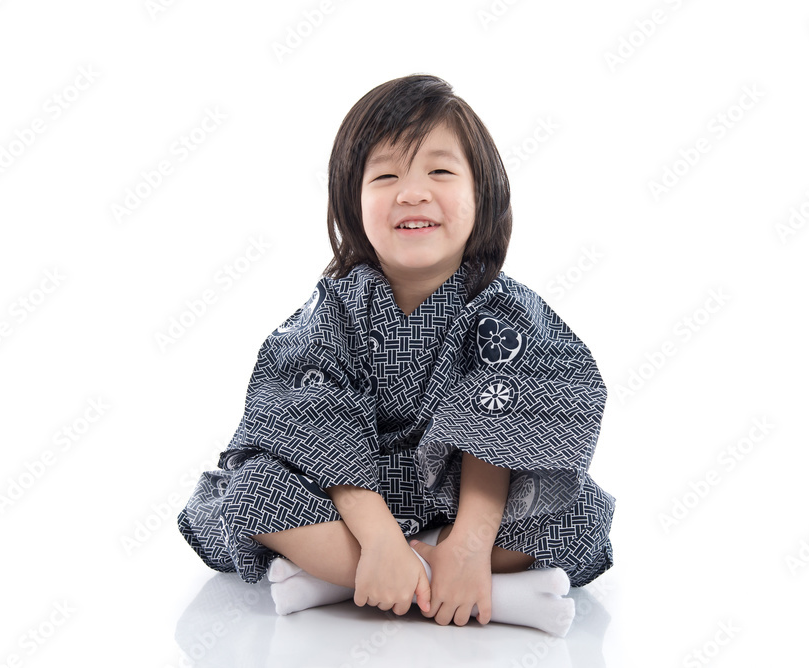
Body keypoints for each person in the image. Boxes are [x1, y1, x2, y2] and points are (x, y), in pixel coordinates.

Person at [177, 73, 615, 637]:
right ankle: (455, 583)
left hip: (469, 501)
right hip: (353, 502)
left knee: (577, 520)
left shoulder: (507, 311)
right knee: (253, 492)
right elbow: (311, 418)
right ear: (351, 202)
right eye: (386, 175)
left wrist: (470, 540)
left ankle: (348, 579)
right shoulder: (337, 308)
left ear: (482, 195)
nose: (413, 192)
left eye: (439, 170)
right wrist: (381, 535)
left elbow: (514, 415)